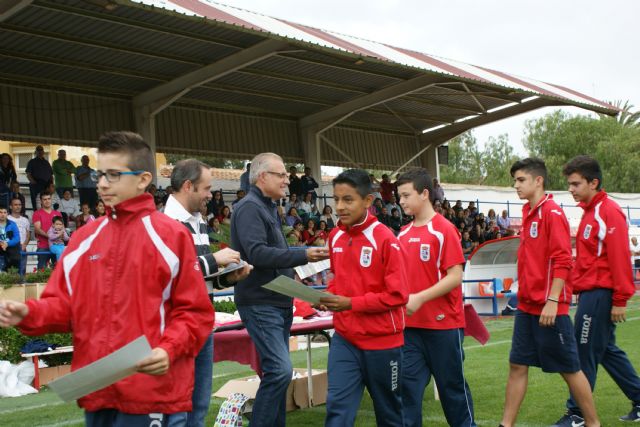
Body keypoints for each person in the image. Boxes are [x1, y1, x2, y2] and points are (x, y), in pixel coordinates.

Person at [0, 131, 214, 426]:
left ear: (143, 179)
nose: (101, 183)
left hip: (150, 393)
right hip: (97, 391)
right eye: (100, 174)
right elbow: (64, 306)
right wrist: (28, 313)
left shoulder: (170, 235)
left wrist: (168, 349)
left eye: (113, 175)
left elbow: (196, 313)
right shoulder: (84, 238)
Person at [230, 152, 328, 427]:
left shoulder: (269, 207)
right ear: (263, 177)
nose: (288, 180)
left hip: (277, 301)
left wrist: (310, 295)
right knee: (280, 371)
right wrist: (305, 254)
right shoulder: (250, 207)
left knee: (276, 373)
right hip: (261, 303)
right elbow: (259, 255)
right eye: (282, 174)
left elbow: (277, 262)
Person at [500, 158, 599, 427]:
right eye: (515, 180)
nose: (516, 185)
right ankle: (505, 424)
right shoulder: (528, 212)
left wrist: (553, 301)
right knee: (517, 366)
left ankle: (592, 423)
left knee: (569, 369)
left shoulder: (552, 213)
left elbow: (563, 260)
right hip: (527, 307)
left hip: (549, 308)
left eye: (521, 180)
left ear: (538, 180)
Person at [551, 155, 640, 426]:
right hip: (591, 294)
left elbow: (620, 257)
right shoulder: (590, 212)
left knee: (584, 351)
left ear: (594, 182)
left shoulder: (608, 211)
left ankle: (577, 413)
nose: (571, 189)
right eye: (569, 184)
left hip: (601, 294)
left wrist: (621, 299)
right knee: (605, 350)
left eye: (576, 183)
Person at [164, 158, 252, 427]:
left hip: (202, 324)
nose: (211, 195)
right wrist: (216, 259)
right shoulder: (165, 223)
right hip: (178, 328)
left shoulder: (198, 220)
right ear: (188, 186)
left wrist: (228, 278)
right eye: (206, 188)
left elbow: (198, 279)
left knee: (199, 407)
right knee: (178, 409)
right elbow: (172, 273)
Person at [318, 169, 408, 427]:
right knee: (337, 410)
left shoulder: (385, 239)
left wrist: (351, 303)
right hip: (345, 339)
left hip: (383, 343)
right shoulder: (335, 236)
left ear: (367, 201)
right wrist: (327, 295)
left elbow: (398, 295)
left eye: (348, 200)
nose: (339, 207)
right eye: (336, 199)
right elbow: (337, 279)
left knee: (389, 413)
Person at [395, 168, 475, 427]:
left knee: (452, 390)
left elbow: (455, 276)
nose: (401, 201)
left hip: (444, 326)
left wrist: (419, 298)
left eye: (406, 195)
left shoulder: (444, 229)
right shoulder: (402, 234)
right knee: (407, 391)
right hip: (411, 330)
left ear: (425, 193)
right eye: (399, 196)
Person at [32, 192, 62, 269]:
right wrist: (50, 236)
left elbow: (62, 228)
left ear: (51, 200)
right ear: (41, 201)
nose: (47, 201)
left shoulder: (58, 213)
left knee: (58, 270)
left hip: (56, 245)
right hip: (43, 245)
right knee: (42, 271)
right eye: (44, 199)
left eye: (49, 199)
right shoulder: (37, 213)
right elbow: (37, 229)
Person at [25, 145, 53, 212]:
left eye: (41, 150)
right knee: (36, 203)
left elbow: (51, 175)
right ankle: (37, 217)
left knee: (47, 202)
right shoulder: (32, 162)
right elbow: (28, 174)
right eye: (38, 150)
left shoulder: (46, 162)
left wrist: (51, 185)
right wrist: (34, 183)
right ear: (36, 152)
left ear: (43, 152)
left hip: (46, 185)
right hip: (36, 185)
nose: (40, 152)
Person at [9, 198, 30, 278]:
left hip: (22, 248)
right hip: (11, 249)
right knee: (11, 272)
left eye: (19, 205)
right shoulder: (7, 219)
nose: (18, 207)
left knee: (22, 271)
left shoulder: (25, 220)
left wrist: (24, 244)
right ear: (11, 206)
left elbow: (28, 235)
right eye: (15, 205)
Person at [0, 205, 21, 272]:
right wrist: (1, 244)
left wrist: (7, 244)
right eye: (0, 212)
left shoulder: (12, 224)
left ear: (7, 214)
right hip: (1, 246)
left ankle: (13, 275)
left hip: (10, 247)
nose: (2, 214)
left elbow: (17, 238)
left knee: (15, 254)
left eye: (4, 212)